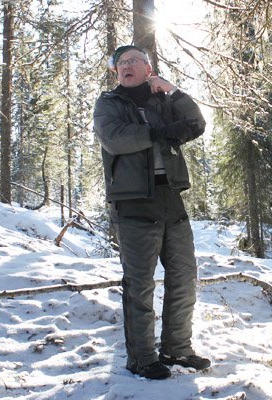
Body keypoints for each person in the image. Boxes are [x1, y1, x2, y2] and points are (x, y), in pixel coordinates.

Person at [92, 45, 211, 380]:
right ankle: (142, 359)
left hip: (170, 195)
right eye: (121, 63)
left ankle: (177, 348)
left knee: (184, 277)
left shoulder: (163, 100)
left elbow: (196, 123)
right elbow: (115, 139)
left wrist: (172, 90)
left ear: (148, 68)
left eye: (134, 61)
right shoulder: (109, 103)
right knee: (140, 284)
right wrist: (158, 133)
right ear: (116, 71)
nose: (126, 66)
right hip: (133, 202)